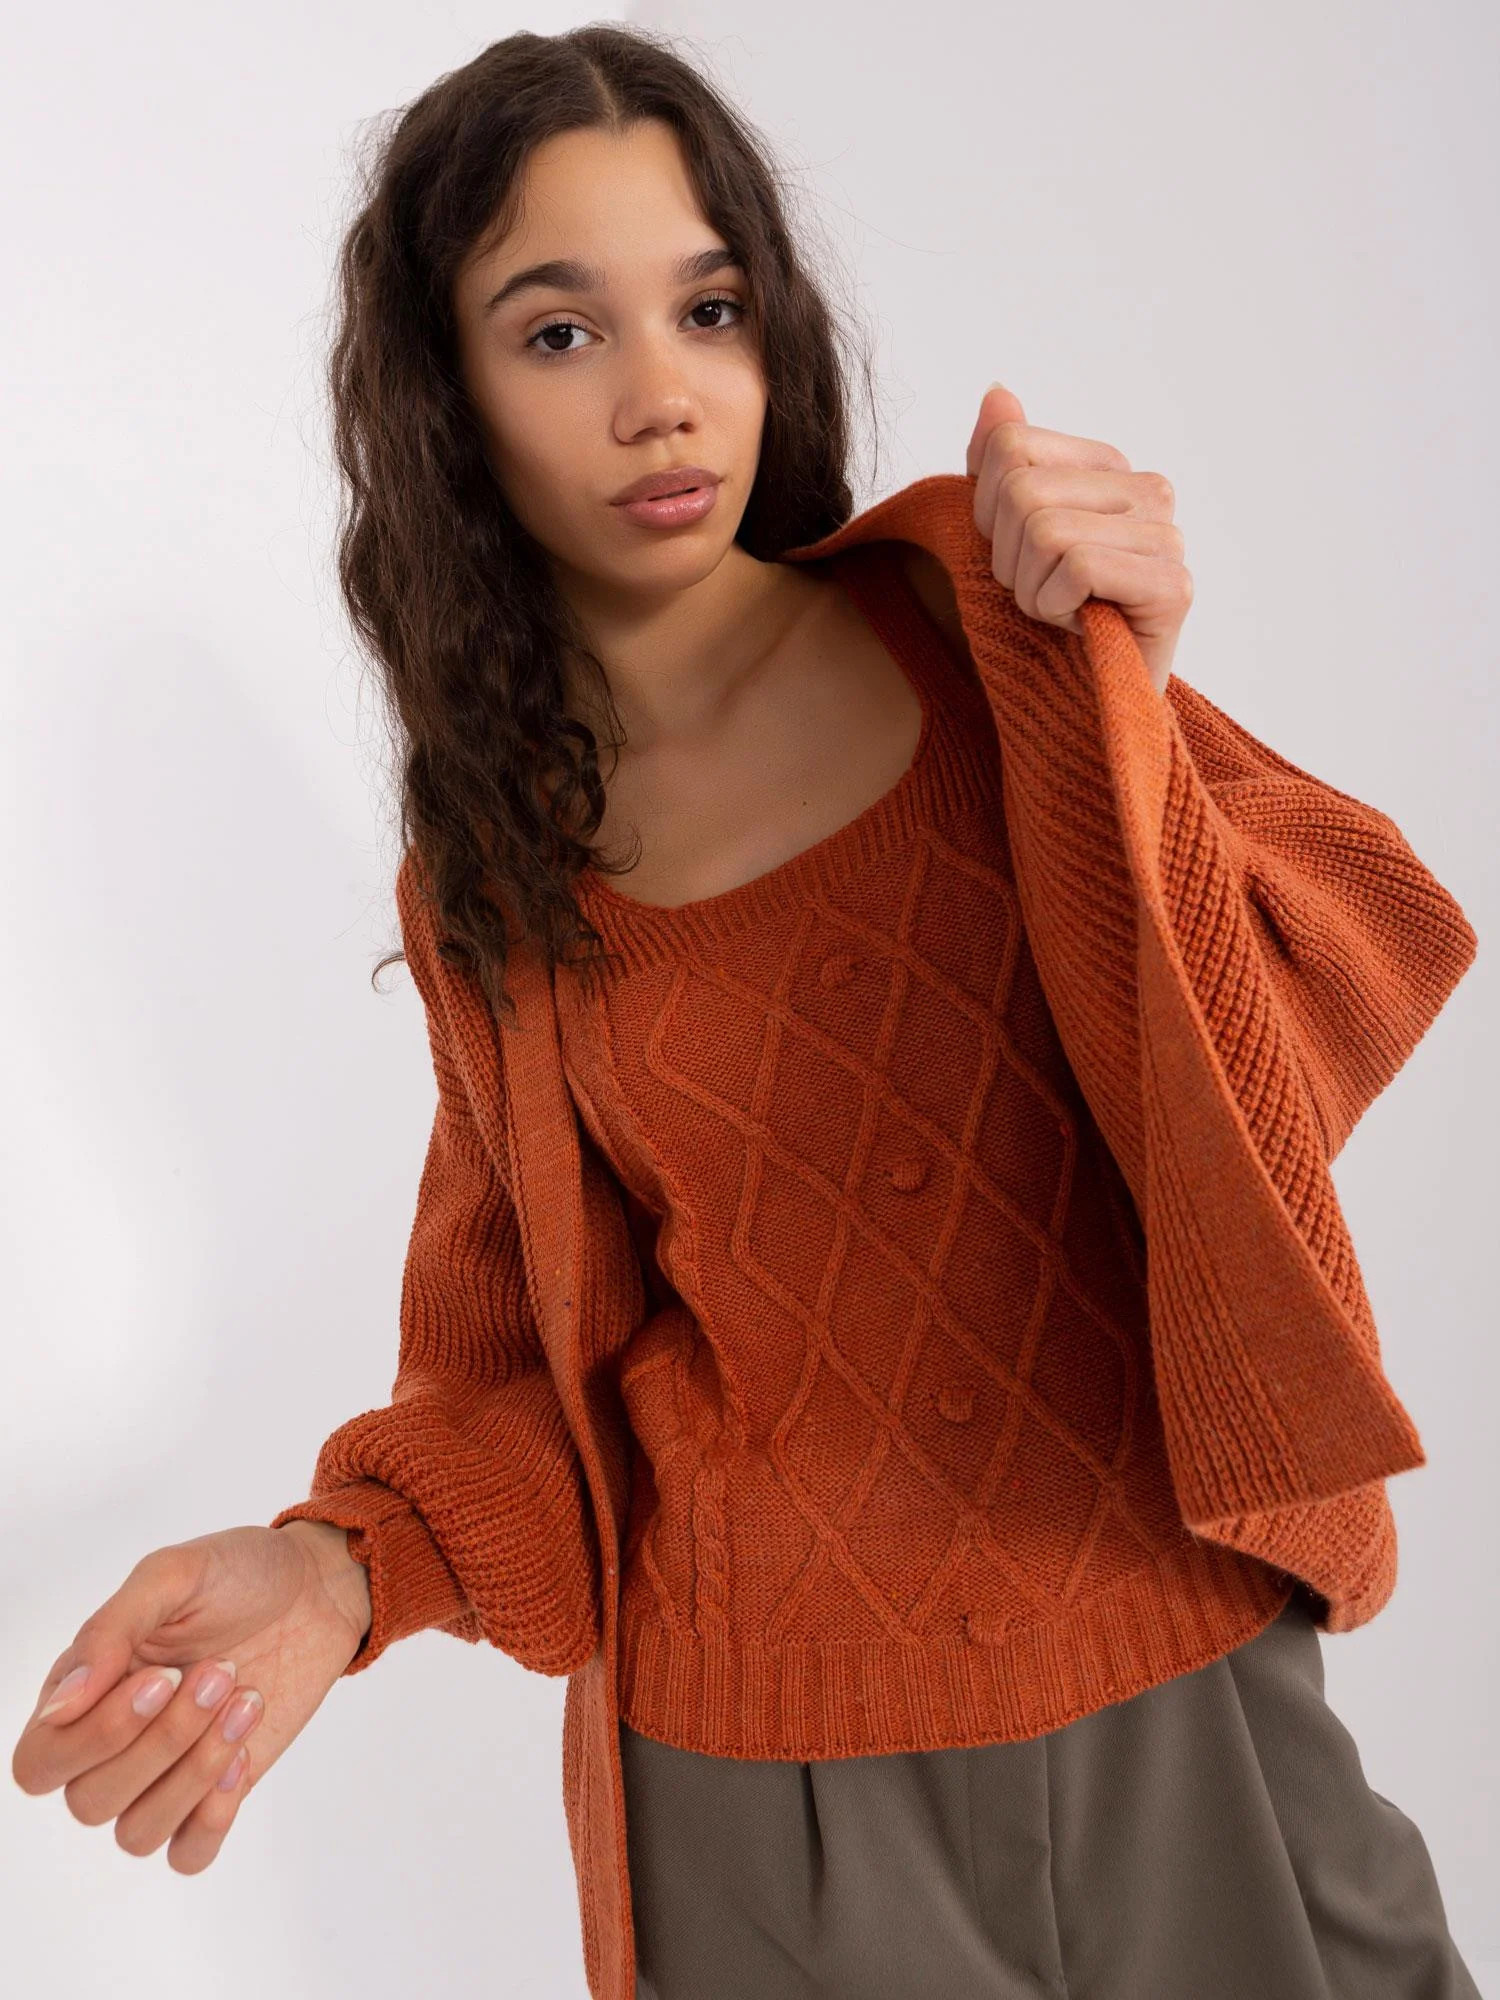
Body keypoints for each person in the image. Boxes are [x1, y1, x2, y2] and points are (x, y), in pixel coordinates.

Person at [11, 24, 1483, 2000]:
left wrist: (1130, 704)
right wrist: (333, 1573)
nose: (659, 395)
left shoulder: (994, 632)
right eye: (558, 333)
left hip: (1184, 1684)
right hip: (758, 1799)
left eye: (705, 307)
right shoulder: (491, 883)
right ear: (448, 400)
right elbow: (534, 1386)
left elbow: (1308, 1036)